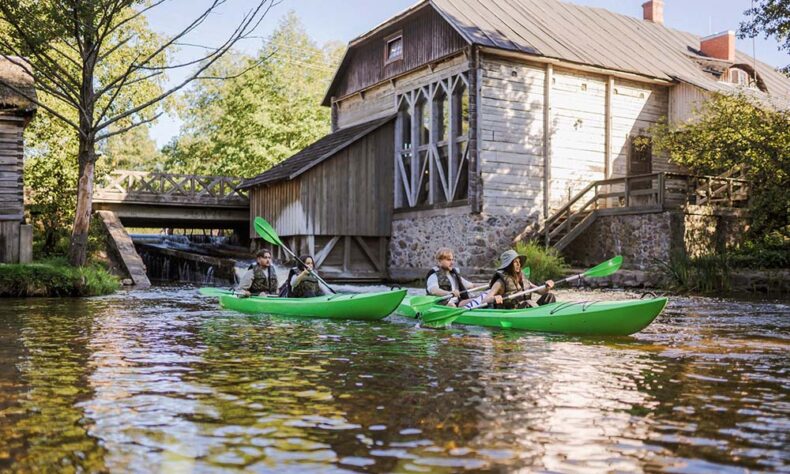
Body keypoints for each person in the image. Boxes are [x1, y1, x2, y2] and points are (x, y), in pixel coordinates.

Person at [469, 250, 555, 310]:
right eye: (515, 262)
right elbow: (485, 300)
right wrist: (494, 298)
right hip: (512, 311)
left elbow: (541, 291)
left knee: (549, 296)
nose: (518, 264)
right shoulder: (500, 282)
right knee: (528, 303)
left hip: (528, 309)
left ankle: (549, 317)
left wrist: (547, 286)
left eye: (519, 261)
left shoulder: (523, 279)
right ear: (509, 265)